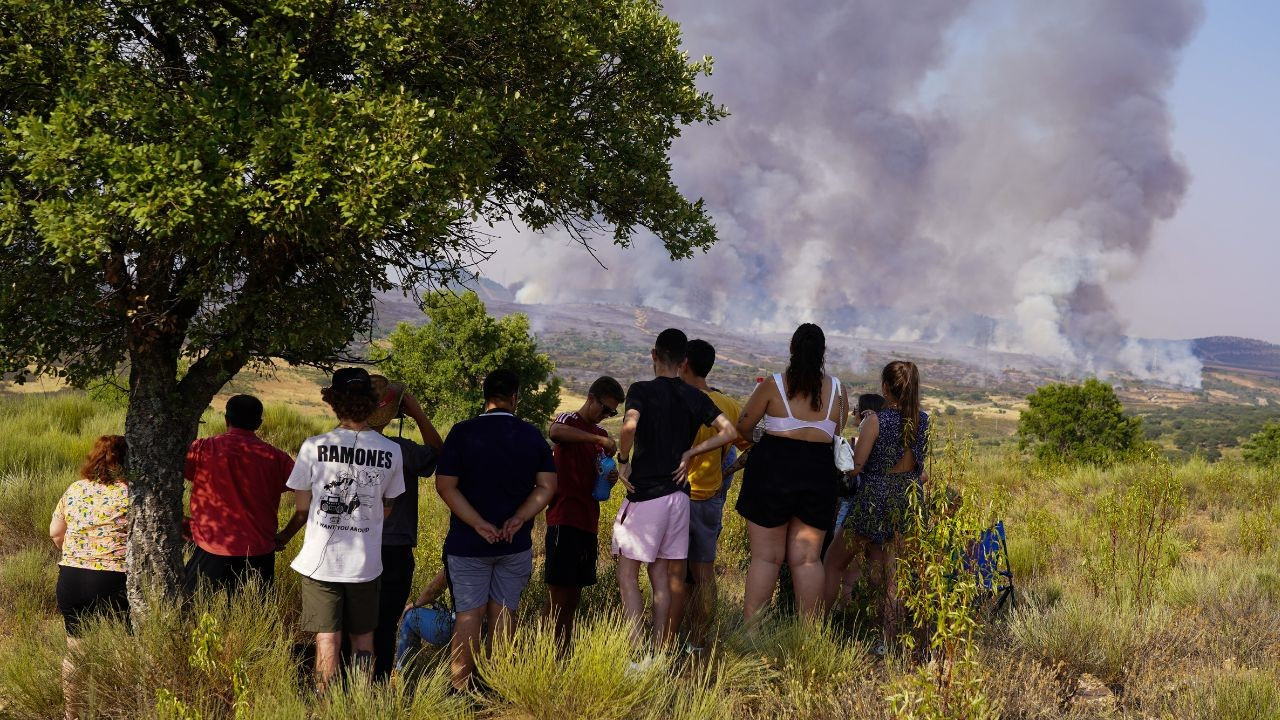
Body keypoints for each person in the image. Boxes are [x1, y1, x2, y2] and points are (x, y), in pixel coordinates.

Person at [276, 367, 406, 691]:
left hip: (320, 563)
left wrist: (282, 537)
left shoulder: (313, 446)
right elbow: (387, 508)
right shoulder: (391, 451)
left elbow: (303, 510)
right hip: (365, 564)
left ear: (334, 402)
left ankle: (325, 702)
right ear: (372, 403)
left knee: (327, 639)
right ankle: (361, 702)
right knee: (364, 637)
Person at [431, 369, 557, 690]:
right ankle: (497, 682)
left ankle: (461, 686)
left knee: (469, 614)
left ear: (485, 395)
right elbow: (547, 486)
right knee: (504, 612)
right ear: (515, 397)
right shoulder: (531, 436)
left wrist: (477, 523)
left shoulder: (462, 433)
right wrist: (519, 518)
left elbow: (445, 486)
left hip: (468, 544)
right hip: (515, 544)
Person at [613, 329, 738, 654]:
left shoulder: (641, 390)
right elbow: (730, 432)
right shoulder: (696, 396)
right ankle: (660, 651)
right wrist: (692, 453)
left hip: (646, 495)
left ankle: (637, 651)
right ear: (684, 361)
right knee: (665, 576)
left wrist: (623, 460)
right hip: (680, 498)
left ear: (654, 354)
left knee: (628, 572)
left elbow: (629, 426)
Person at [734, 323, 848, 623]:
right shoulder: (837, 390)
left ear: (792, 348)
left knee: (765, 557)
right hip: (819, 472)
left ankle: (752, 633)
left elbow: (744, 426)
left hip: (772, 469)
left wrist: (759, 442)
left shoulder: (772, 385)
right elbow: (838, 432)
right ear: (822, 352)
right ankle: (810, 636)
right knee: (809, 559)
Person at [838, 361, 929, 653]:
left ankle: (821, 627)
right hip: (909, 498)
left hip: (875, 497)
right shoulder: (923, 420)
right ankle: (887, 640)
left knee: (831, 563)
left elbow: (856, 467)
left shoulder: (875, 420)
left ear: (885, 388)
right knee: (893, 575)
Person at [364, 375, 444, 681]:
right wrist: (418, 413)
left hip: (353, 543)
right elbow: (437, 452)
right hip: (395, 545)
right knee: (385, 623)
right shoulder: (401, 450)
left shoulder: (342, 445)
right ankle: (379, 681)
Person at [672, 339, 746, 653]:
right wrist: (726, 472)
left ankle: (670, 636)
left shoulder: (675, 398)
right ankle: (699, 639)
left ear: (684, 362)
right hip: (710, 496)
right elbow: (747, 447)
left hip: (674, 495)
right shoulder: (729, 405)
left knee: (673, 570)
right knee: (703, 571)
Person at [49, 435, 130, 720]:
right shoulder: (132, 492)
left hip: (71, 577)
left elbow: (56, 533)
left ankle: (73, 715)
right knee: (124, 648)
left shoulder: (75, 489)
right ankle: (122, 710)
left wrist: (77, 554)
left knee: (75, 650)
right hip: (113, 579)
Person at [182, 395, 295, 596]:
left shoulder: (203, 448)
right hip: (259, 550)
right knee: (255, 614)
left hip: (211, 547)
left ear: (227, 419)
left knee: (195, 611)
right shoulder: (278, 458)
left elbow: (184, 475)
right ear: (259, 424)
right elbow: (309, 492)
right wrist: (286, 535)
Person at [544, 376, 626, 646]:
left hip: (587, 520)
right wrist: (595, 439)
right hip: (564, 517)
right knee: (558, 593)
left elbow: (598, 473)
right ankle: (544, 650)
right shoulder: (570, 420)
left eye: (612, 413)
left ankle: (563, 650)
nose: (606, 415)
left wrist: (609, 477)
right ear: (591, 398)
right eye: (604, 409)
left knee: (574, 596)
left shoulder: (600, 435)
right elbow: (555, 432)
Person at [822, 393, 885, 611]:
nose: (853, 413)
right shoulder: (886, 448)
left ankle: (836, 611)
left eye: (857, 410)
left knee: (836, 562)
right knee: (873, 567)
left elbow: (853, 470)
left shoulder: (857, 444)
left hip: (856, 507)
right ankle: (863, 610)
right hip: (881, 509)